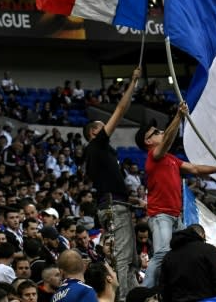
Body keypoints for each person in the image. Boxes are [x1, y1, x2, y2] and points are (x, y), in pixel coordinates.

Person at [135, 103, 216, 288]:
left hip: (176, 215)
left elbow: (194, 168)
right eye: (155, 132)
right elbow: (167, 141)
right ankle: (145, 292)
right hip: (161, 215)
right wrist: (178, 117)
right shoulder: (153, 156)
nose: (161, 132)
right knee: (162, 252)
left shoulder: (170, 158)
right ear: (148, 141)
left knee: (181, 253)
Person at [83, 67, 143, 302]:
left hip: (117, 205)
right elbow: (120, 109)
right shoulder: (96, 145)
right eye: (101, 126)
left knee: (130, 260)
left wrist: (135, 201)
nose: (106, 127)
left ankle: (130, 296)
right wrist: (133, 82)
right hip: (113, 207)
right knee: (122, 258)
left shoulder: (103, 153)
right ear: (94, 132)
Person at [159, 224, 216, 302]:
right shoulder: (208, 250)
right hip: (206, 299)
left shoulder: (168, 256)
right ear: (202, 235)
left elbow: (164, 287)